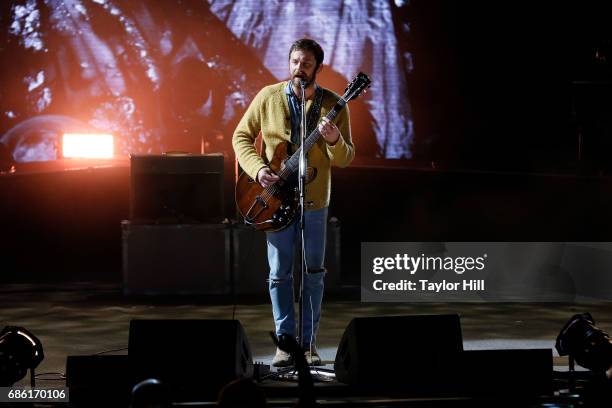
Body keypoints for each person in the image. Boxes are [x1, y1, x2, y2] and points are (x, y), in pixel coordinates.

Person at [232, 38, 354, 367]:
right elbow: (240, 136)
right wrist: (258, 170)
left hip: (315, 203)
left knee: (313, 273)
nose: (300, 68)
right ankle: (285, 345)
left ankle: (309, 344)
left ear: (318, 68)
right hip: (276, 200)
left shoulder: (334, 104)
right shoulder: (268, 97)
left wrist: (334, 140)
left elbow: (345, 158)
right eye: (295, 62)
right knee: (279, 274)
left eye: (307, 64)